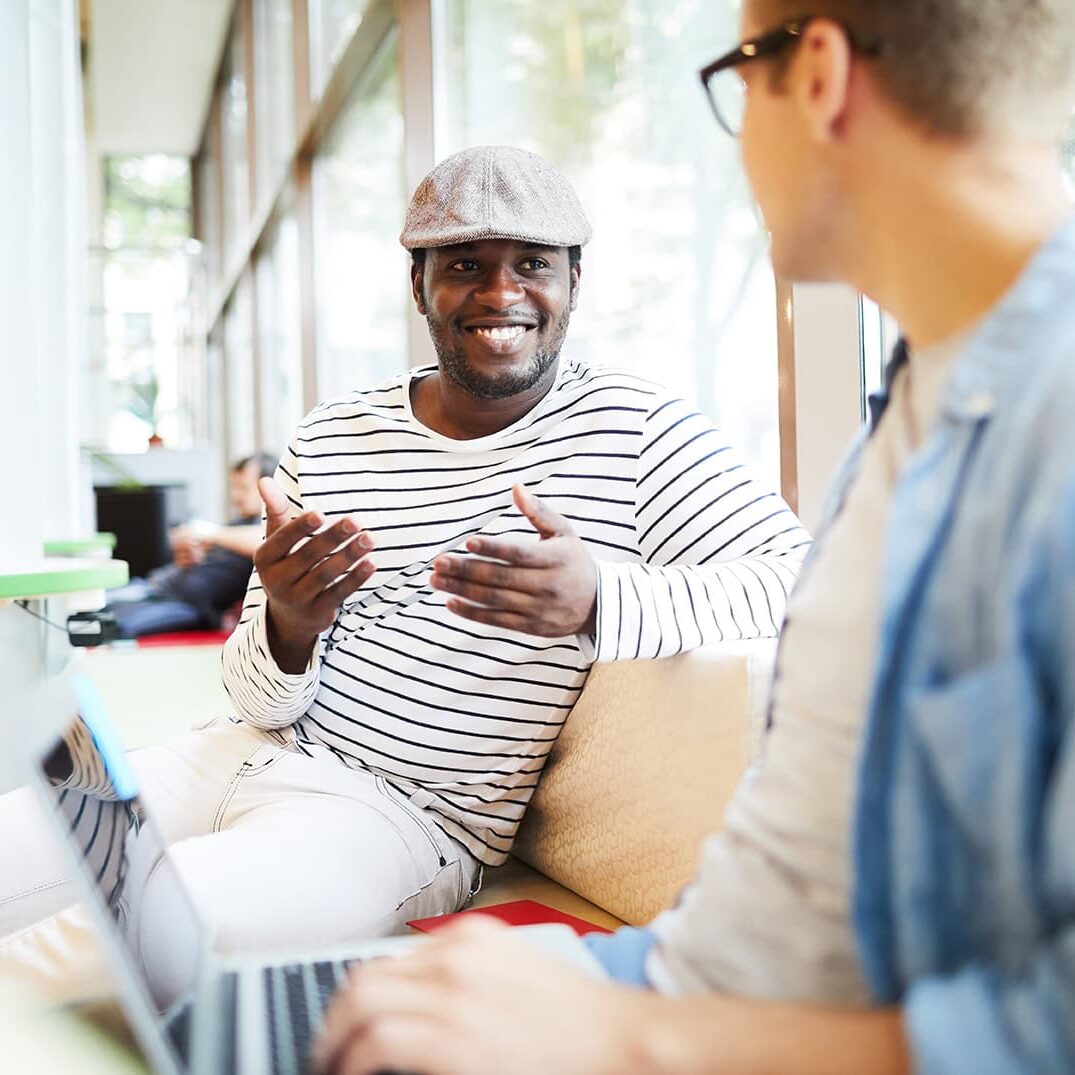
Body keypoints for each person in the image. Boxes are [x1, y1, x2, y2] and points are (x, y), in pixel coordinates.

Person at [312, 2, 1075, 1073]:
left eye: (733, 74)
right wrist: (566, 984)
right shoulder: (906, 420)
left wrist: (632, 1035)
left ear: (813, 75)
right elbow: (780, 908)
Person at [0, 146, 807, 1002]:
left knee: (115, 943)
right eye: (465, 266)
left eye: (533, 265)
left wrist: (601, 597)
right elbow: (254, 701)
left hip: (394, 818)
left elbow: (804, 573)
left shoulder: (638, 429)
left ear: (575, 279)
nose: (501, 294)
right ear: (419, 283)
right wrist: (288, 623)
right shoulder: (336, 431)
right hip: (227, 750)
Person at [104, 452, 276, 638]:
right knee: (94, 602)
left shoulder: (266, 529)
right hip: (159, 587)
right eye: (234, 487)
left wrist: (209, 533)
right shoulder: (236, 526)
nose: (235, 496)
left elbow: (266, 540)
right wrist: (189, 549)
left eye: (243, 488)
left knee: (101, 615)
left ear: (267, 488)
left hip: (184, 604)